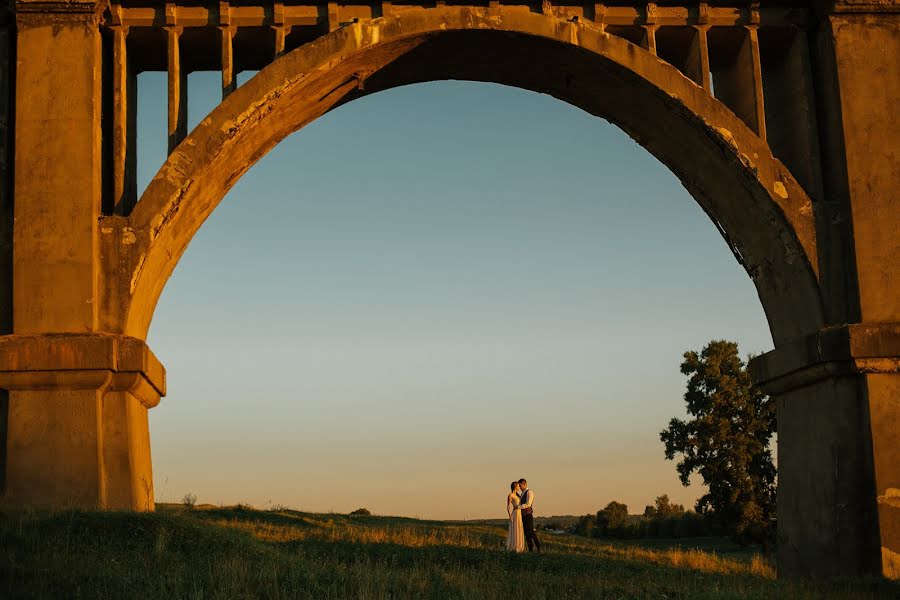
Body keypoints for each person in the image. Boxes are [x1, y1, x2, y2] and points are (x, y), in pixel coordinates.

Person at [518, 478, 541, 553]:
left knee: (531, 532)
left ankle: (539, 548)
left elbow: (528, 504)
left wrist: (518, 507)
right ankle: (530, 549)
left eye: (520, 485)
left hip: (528, 515)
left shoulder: (529, 492)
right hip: (523, 516)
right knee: (526, 533)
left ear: (524, 484)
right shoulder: (522, 493)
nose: (519, 487)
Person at [506, 481, 525, 552]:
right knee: (515, 529)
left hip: (520, 514)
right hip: (515, 513)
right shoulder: (510, 495)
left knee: (520, 529)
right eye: (518, 486)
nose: (519, 487)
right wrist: (509, 516)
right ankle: (515, 546)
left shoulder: (518, 495)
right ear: (515, 487)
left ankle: (520, 547)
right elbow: (508, 507)